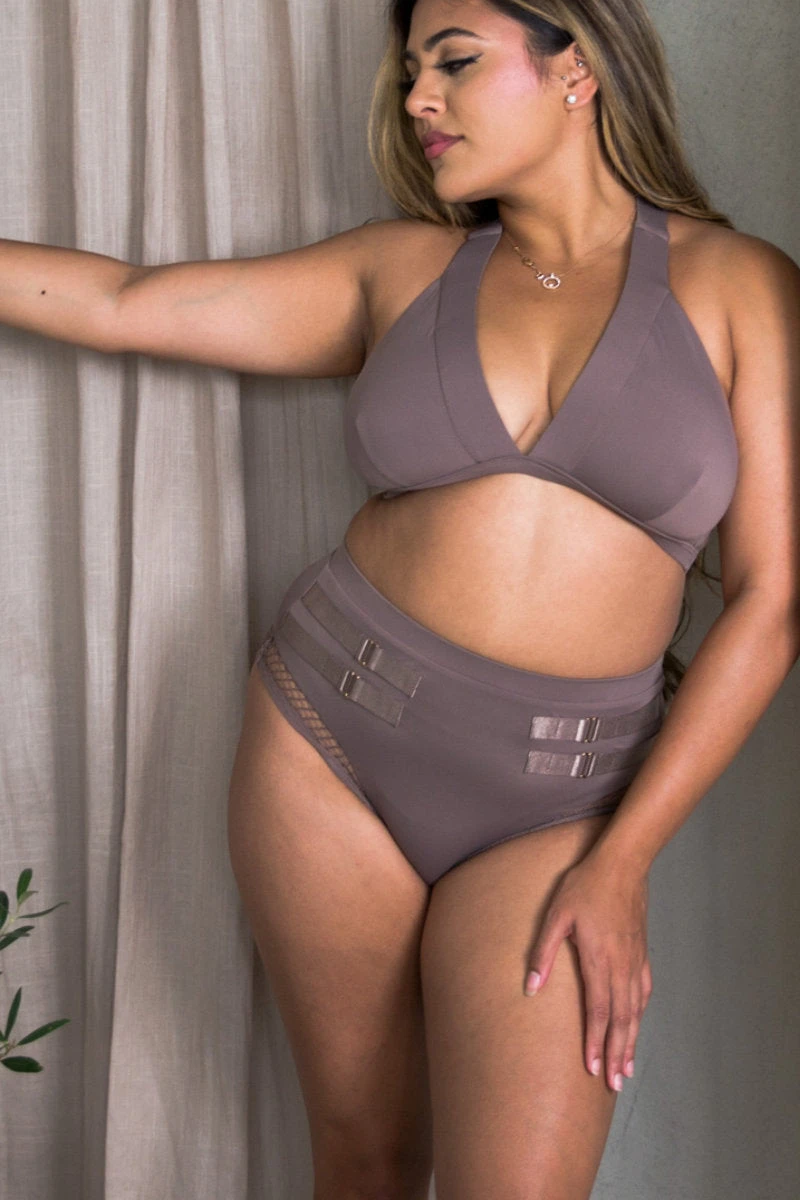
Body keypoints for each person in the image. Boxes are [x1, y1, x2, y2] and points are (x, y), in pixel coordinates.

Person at [1, 0, 797, 1196]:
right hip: (331, 747)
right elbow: (123, 302)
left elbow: (770, 600)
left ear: (576, 68)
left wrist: (621, 861)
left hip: (560, 804)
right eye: (412, 68)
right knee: (366, 1163)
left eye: (455, 62)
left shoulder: (738, 284)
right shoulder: (401, 269)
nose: (418, 97)